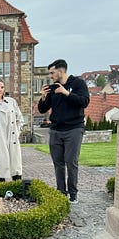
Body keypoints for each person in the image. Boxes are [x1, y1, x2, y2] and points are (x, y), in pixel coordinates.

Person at [37, 59, 90, 203]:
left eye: (52, 73)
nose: (51, 76)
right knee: (58, 163)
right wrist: (43, 97)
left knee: (71, 162)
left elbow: (84, 101)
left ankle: (73, 195)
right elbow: (42, 109)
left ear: (61, 71)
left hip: (74, 129)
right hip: (56, 130)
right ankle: (61, 193)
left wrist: (66, 93)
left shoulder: (78, 84)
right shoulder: (53, 88)